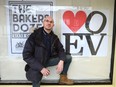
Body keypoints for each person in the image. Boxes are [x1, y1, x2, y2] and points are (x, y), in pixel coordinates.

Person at [23, 16, 74, 87]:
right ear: (43, 23)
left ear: (53, 25)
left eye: (51, 22)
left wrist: (61, 61)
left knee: (68, 57)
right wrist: (41, 68)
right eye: (47, 21)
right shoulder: (34, 36)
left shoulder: (54, 37)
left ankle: (63, 78)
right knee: (36, 79)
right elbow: (26, 55)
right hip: (37, 62)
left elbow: (61, 49)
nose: (49, 23)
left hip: (48, 60)